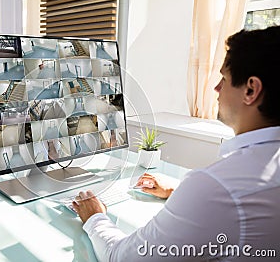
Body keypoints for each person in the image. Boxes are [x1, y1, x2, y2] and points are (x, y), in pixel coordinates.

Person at [72, 26, 280, 261]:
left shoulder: (217, 186)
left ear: (251, 89)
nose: (216, 88)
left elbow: (124, 257)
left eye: (224, 78)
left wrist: (95, 218)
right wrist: (179, 194)